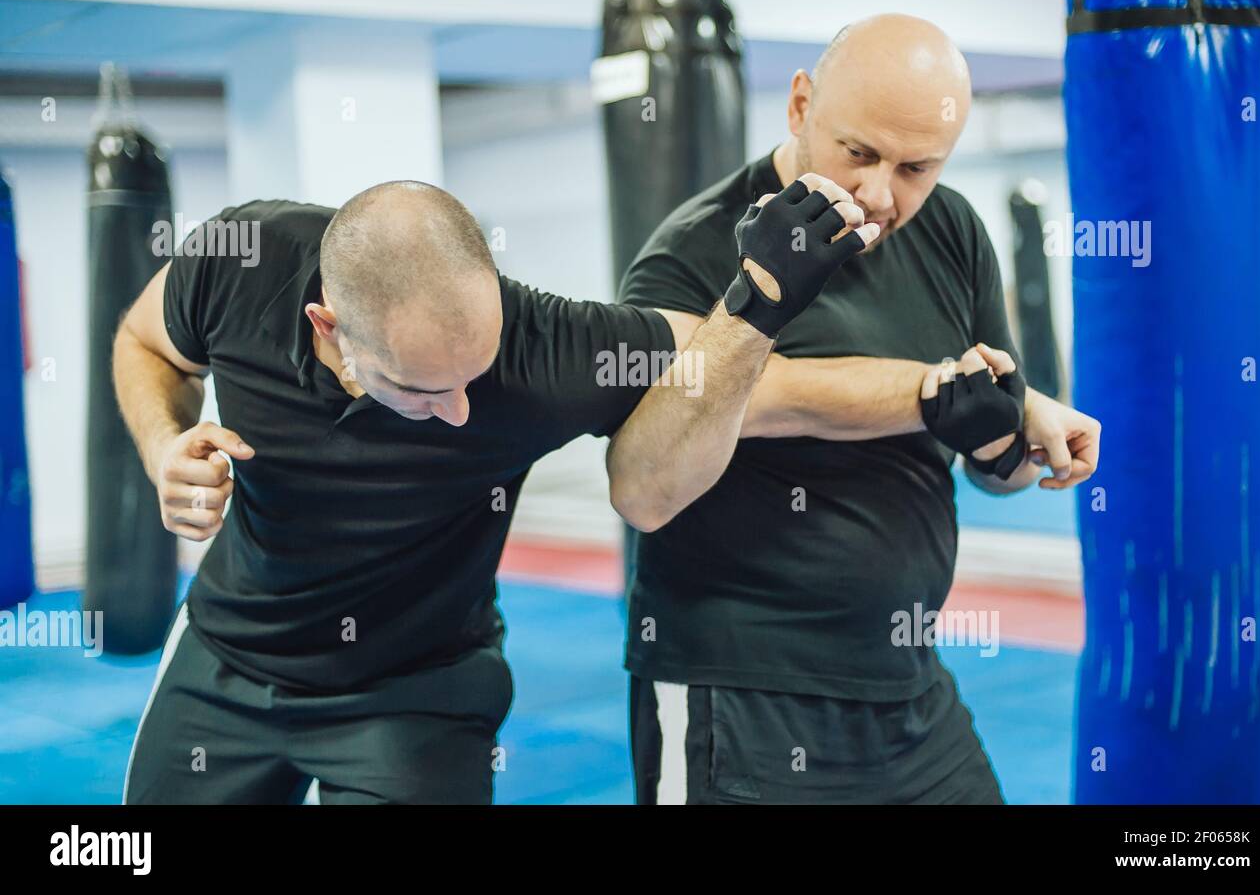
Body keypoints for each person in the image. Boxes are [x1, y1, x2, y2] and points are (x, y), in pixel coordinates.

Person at [115, 177, 876, 803]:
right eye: (423, 390)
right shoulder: (237, 261)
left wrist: (764, 302)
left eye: (473, 376)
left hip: (417, 693)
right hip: (229, 655)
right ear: (329, 326)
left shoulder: (543, 347)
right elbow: (144, 342)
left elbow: (744, 377)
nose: (459, 411)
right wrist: (162, 447)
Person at [619, 14, 1102, 804]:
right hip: (738, 698)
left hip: (911, 688)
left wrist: (997, 439)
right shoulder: (695, 250)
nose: (879, 194)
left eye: (916, 166)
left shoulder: (951, 230)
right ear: (800, 105)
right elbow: (643, 489)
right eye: (859, 153)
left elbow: (995, 459)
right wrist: (927, 392)